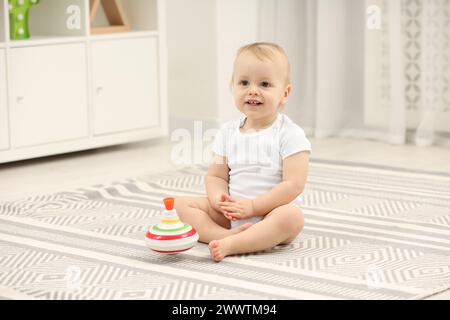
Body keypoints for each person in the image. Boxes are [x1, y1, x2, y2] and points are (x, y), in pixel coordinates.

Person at [174, 42, 311, 262]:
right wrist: (219, 200)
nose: (252, 90)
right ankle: (225, 235)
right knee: (181, 205)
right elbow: (216, 175)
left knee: (292, 217)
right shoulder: (227, 132)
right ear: (234, 87)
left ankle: (234, 245)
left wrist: (254, 207)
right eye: (244, 82)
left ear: (284, 93)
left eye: (265, 84)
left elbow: (293, 185)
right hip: (232, 213)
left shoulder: (290, 134)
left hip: (271, 214)